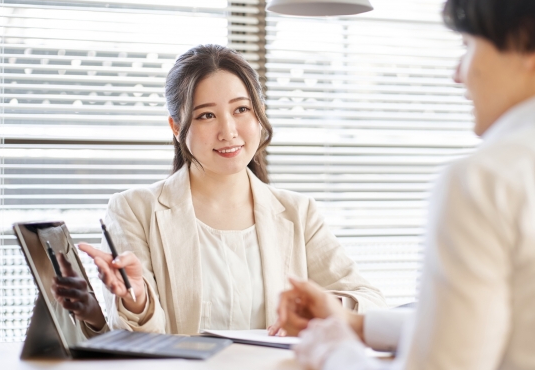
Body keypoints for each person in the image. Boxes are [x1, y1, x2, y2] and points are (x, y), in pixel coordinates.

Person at [273, 0, 535, 370]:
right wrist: (359, 326)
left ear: (528, 43)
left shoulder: (489, 179)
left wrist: (335, 353)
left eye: (467, 45)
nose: (457, 75)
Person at [72, 44, 386, 335]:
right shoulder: (135, 209)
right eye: (206, 115)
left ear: (259, 113)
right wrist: (137, 300)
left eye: (241, 110)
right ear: (176, 127)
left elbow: (368, 299)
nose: (228, 131)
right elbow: (141, 342)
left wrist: (324, 308)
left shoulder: (298, 212)